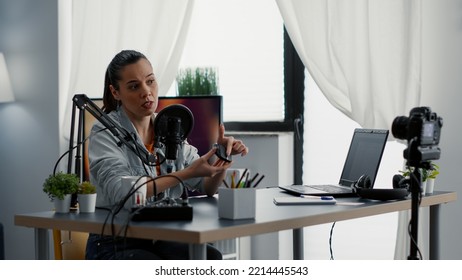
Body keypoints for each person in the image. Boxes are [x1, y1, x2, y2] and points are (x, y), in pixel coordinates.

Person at [85, 50, 248, 260]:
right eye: (134, 86)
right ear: (115, 92)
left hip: (162, 238)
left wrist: (222, 156)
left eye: (150, 81)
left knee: (211, 257)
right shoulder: (104, 131)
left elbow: (207, 187)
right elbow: (124, 194)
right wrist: (185, 174)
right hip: (115, 242)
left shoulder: (170, 125)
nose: (147, 92)